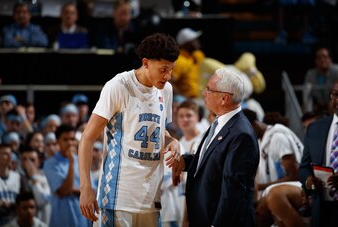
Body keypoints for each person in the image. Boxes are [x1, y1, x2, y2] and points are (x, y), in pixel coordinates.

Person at [78, 32, 181, 226]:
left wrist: (173, 142)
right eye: (163, 69)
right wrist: (85, 188)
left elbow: (159, 132)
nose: (168, 76)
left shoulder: (166, 90)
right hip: (117, 196)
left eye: (172, 70)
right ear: (146, 62)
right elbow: (87, 138)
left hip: (151, 196)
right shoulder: (119, 86)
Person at [174, 68, 260, 226]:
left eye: (209, 89)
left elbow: (233, 188)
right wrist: (185, 162)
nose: (203, 92)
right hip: (205, 215)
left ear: (224, 98)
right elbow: (212, 160)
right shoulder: (221, 123)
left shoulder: (242, 134)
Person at [298, 80, 338, 227]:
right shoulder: (314, 129)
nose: (337, 99)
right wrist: (308, 180)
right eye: (335, 95)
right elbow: (303, 167)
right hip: (322, 208)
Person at [243, 108, 304, 194]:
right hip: (277, 191)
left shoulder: (278, 138)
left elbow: (294, 176)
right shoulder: (261, 142)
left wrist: (260, 187)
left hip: (296, 190)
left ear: (255, 125)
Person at [43, 124, 93, 227]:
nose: (70, 143)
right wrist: (71, 162)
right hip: (62, 219)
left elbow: (92, 191)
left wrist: (75, 190)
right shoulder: (50, 163)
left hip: (83, 220)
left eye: (72, 139)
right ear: (57, 141)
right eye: (65, 139)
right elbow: (63, 191)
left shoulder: (82, 160)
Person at [304, 46, 338, 112]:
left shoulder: (336, 70)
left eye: (325, 57)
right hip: (319, 105)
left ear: (330, 59)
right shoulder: (310, 74)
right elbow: (307, 94)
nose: (322, 60)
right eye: (319, 57)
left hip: (333, 102)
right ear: (315, 61)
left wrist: (331, 102)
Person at [0, 144, 21, 226]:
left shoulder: (17, 177)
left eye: (10, 154)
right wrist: (5, 204)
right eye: (5, 154)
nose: (9, 157)